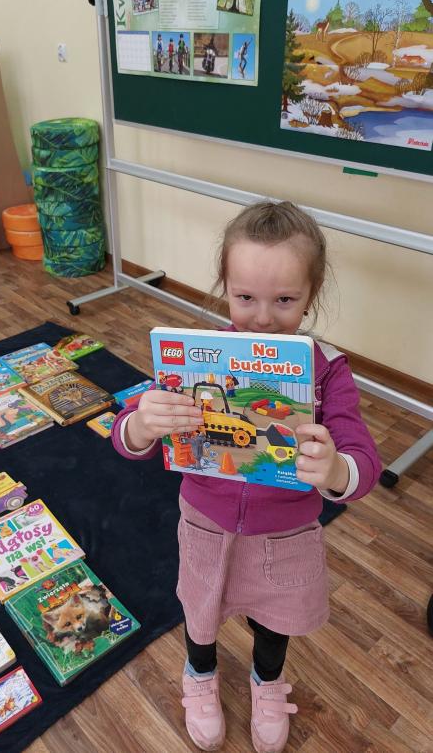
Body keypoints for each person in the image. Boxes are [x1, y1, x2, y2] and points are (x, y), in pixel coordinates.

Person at [111, 200, 382, 753]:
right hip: (205, 522)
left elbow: (363, 462)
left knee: (277, 620)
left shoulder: (328, 370)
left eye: (284, 300)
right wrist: (141, 424)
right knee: (200, 610)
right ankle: (199, 673)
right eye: (245, 298)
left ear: (312, 293)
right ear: (225, 288)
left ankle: (267, 681)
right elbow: (126, 436)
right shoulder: (199, 356)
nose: (262, 318)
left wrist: (336, 470)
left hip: (286, 534)